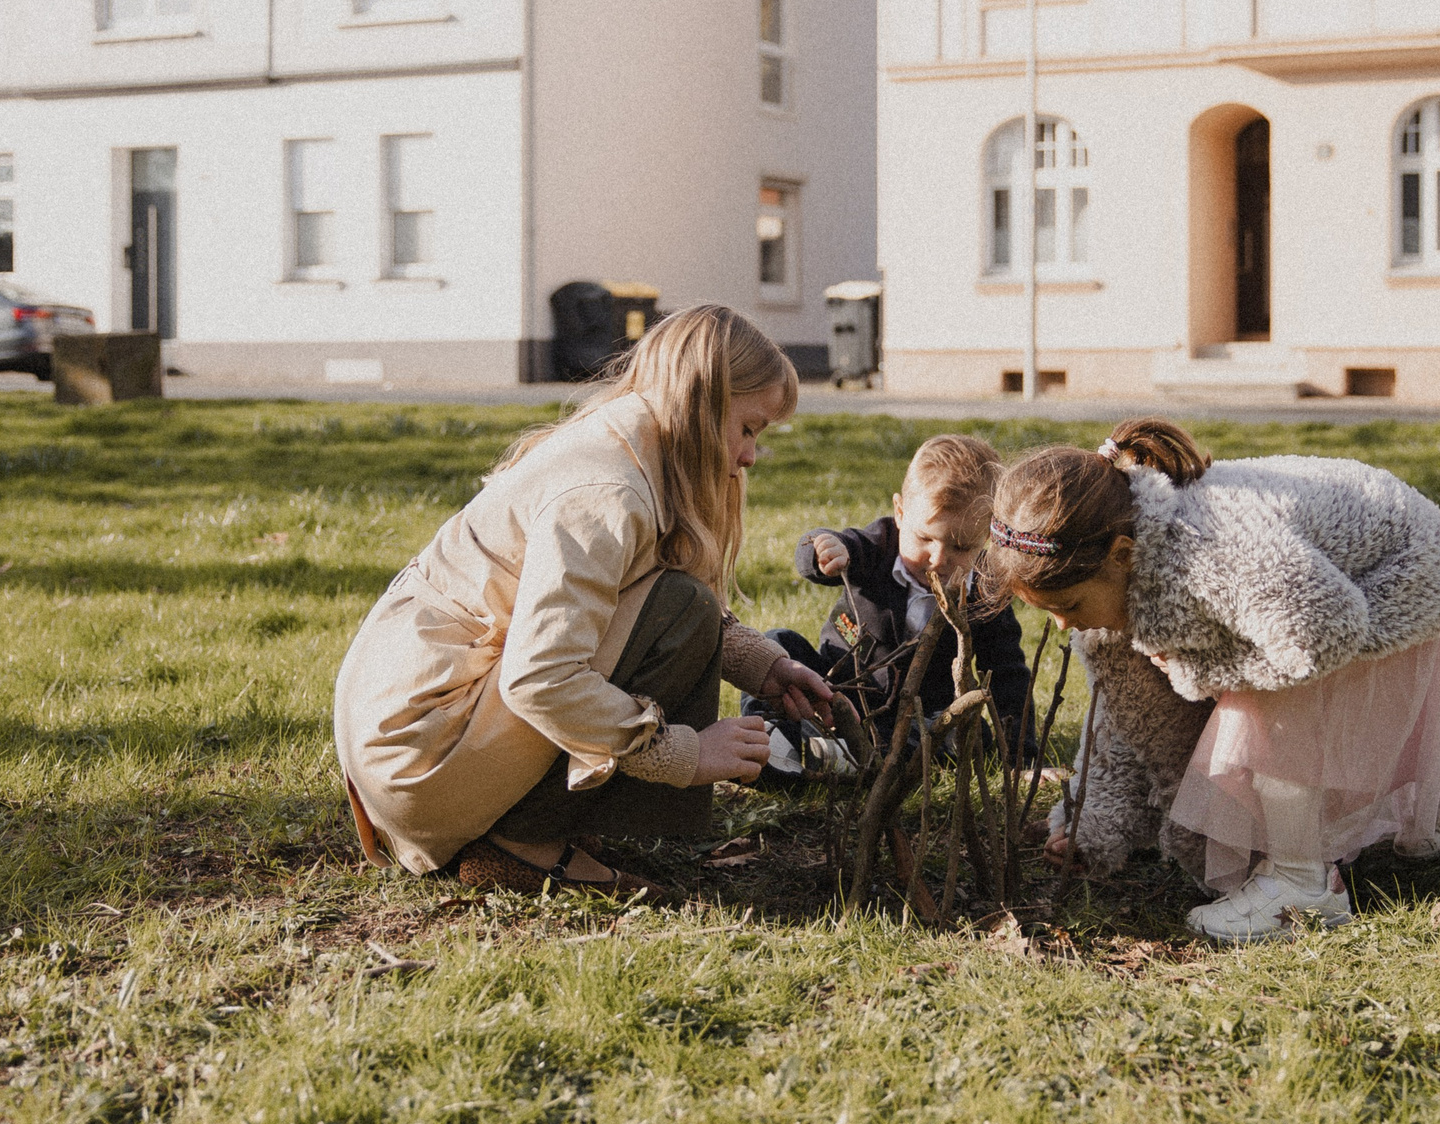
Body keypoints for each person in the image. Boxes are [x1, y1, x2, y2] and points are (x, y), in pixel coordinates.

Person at [332, 306, 835, 895]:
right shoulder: (609, 490)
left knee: (682, 604)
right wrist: (685, 753)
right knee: (682, 609)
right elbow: (541, 676)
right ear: (701, 404)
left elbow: (631, 585)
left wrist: (763, 664)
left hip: (412, 740)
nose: (750, 456)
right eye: (747, 429)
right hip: (420, 756)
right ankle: (521, 840)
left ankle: (546, 815)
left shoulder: (631, 440)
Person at [988, 418, 1440, 943]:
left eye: (1068, 606)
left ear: (1122, 556)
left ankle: (1302, 882)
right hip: (1316, 596)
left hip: (1400, 576)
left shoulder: (1213, 556)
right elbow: (1125, 713)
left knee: (1264, 700)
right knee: (1234, 679)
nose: (1061, 624)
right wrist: (1092, 824)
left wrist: (1199, 670)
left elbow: (1321, 637)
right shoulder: (1119, 585)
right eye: (1046, 613)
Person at [752, 434, 1036, 767]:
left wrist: (1022, 758)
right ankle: (767, 742)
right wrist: (823, 552)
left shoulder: (986, 592)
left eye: (961, 547)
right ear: (900, 513)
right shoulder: (876, 548)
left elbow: (1007, 675)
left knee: (968, 737)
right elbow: (813, 553)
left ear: (987, 536)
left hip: (918, 714)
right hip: (833, 688)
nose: (938, 558)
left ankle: (858, 758)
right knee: (776, 645)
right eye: (925, 538)